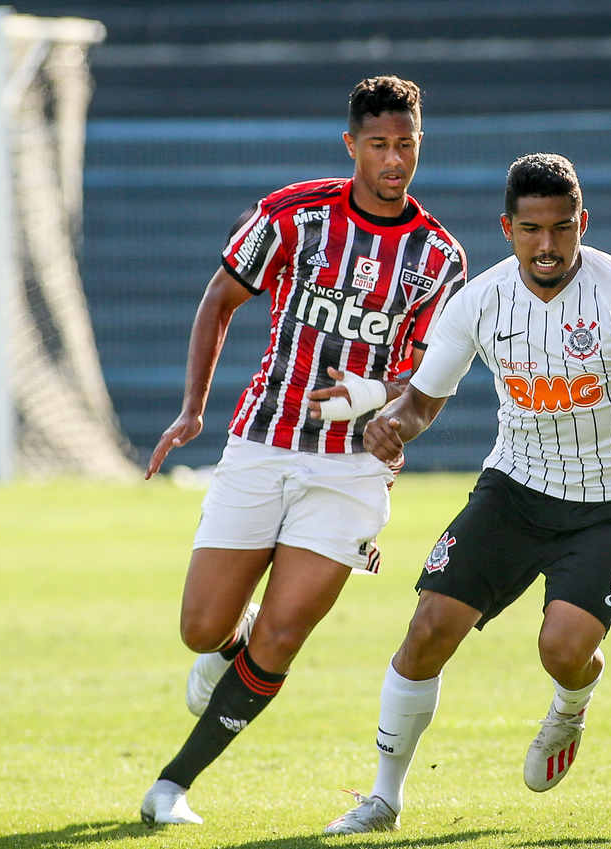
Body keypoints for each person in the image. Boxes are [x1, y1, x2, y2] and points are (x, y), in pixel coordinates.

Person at [325, 152, 611, 834]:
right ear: (507, 227)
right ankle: (384, 799)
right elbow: (422, 401)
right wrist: (393, 423)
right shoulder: (480, 301)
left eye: (562, 228)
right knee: (427, 630)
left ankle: (570, 705)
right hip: (515, 487)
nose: (547, 245)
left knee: (562, 648)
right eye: (532, 229)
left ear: (583, 223)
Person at [138, 75, 468, 826]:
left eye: (407, 146)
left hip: (354, 469)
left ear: (421, 145)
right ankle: (231, 638)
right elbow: (220, 298)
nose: (394, 160)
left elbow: (431, 372)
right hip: (263, 441)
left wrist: (376, 400)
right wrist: (192, 410)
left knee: (285, 633)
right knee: (201, 629)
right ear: (351, 145)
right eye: (379, 145)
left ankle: (171, 785)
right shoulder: (293, 214)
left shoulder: (439, 257)